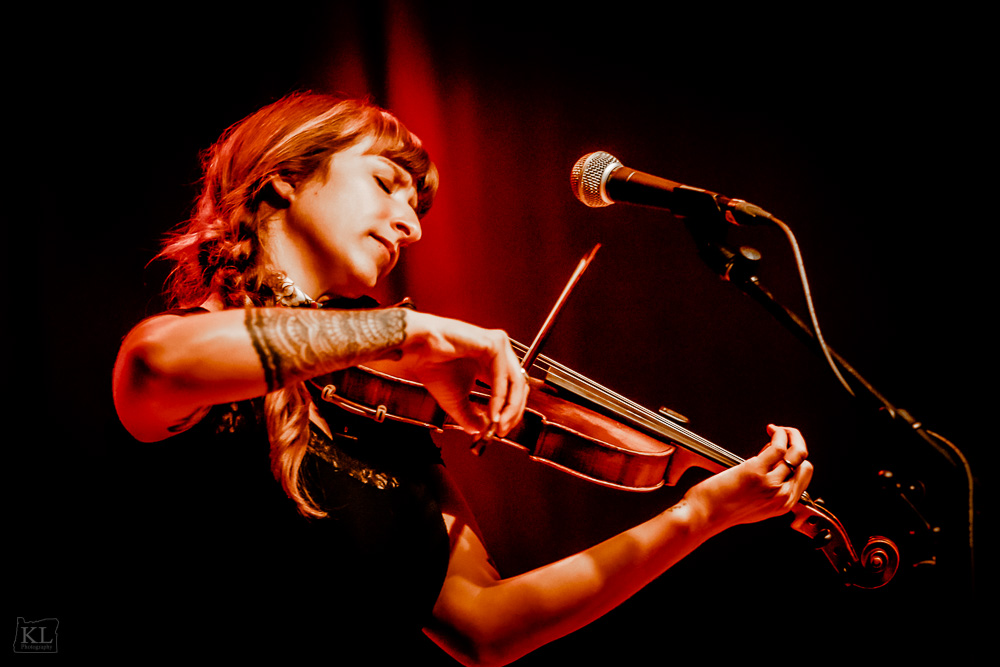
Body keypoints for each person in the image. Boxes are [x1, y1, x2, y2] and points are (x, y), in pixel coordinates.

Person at [112, 92, 813, 664]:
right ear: (283, 178)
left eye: (416, 207)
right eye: (386, 184)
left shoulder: (385, 416)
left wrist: (699, 515)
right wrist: (417, 330)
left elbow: (484, 624)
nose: (410, 226)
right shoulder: (194, 359)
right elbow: (156, 363)